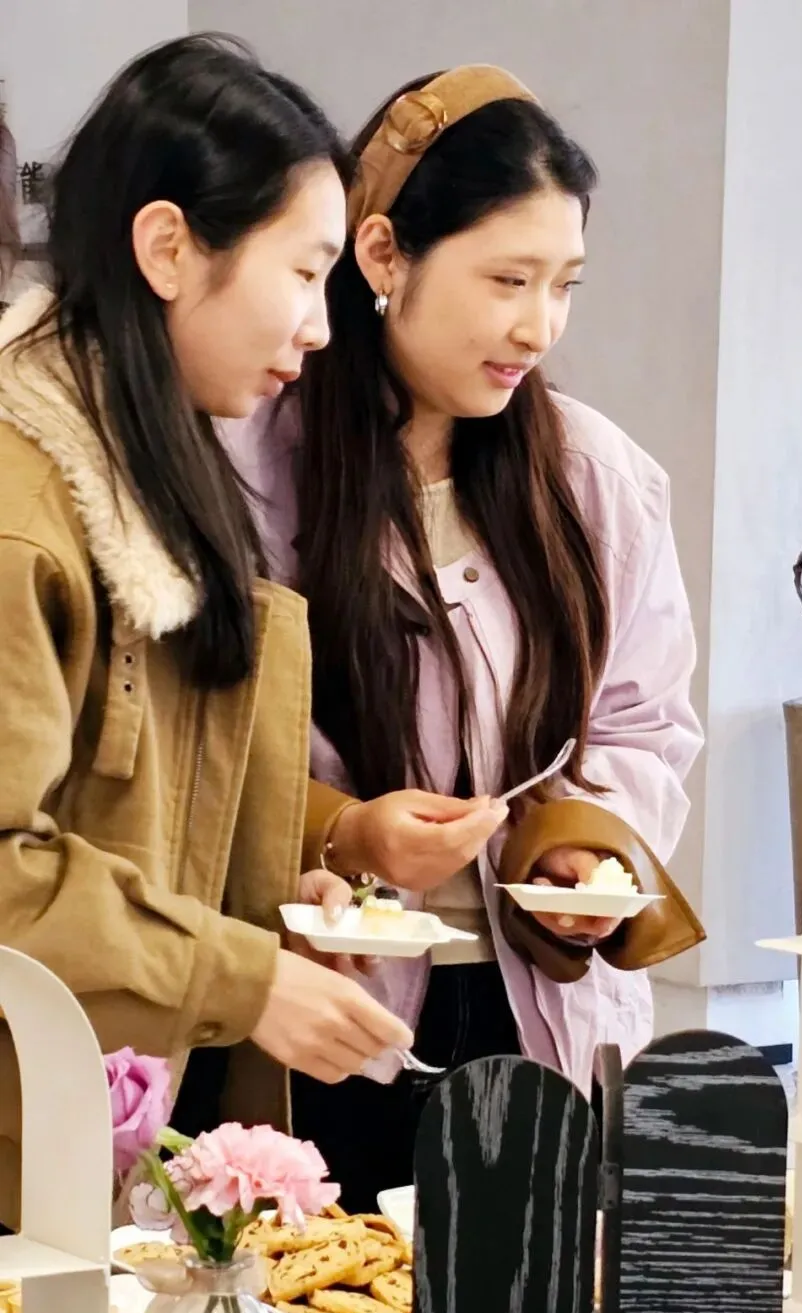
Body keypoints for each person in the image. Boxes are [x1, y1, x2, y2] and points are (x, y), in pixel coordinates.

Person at [227, 65, 704, 1209]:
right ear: (383, 255)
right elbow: (210, 749)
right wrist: (347, 833)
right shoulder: (255, 469)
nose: (539, 325)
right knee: (332, 1291)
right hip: (331, 1016)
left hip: (544, 1015)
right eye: (507, 279)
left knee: (536, 1297)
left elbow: (644, 721)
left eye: (564, 285)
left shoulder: (597, 481)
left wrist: (583, 849)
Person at [0, 35, 427, 1230]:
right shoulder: (26, 513)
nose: (323, 327)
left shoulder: (158, 472)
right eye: (305, 271)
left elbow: (141, 807)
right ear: (169, 248)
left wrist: (288, 890)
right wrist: (242, 975)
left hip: (101, 1144)